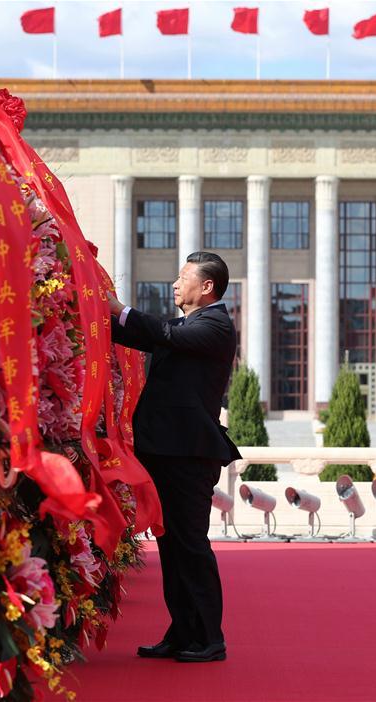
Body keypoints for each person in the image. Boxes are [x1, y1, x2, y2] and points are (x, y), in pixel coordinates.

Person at [108, 251, 241, 663]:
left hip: (189, 455)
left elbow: (162, 333)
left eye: (183, 277)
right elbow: (145, 335)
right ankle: (182, 631)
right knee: (171, 545)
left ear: (207, 287)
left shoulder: (216, 325)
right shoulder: (186, 325)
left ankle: (208, 638)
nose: (174, 284)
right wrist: (99, 312)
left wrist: (121, 309)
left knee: (190, 545)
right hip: (166, 450)